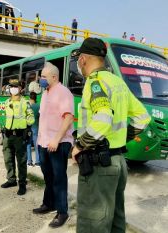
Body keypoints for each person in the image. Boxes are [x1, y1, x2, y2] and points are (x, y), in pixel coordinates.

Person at [71, 38, 151, 233]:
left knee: (93, 223)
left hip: (99, 165)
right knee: (115, 219)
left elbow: (104, 117)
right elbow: (142, 117)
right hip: (118, 162)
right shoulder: (119, 83)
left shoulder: (94, 82)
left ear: (83, 59)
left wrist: (80, 145)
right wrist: (121, 138)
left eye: (78, 61)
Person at [32, 62, 74, 228]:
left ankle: (62, 212)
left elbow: (68, 118)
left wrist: (56, 139)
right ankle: (48, 203)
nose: (41, 79)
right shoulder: (45, 93)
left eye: (43, 77)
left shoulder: (63, 92)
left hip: (58, 142)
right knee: (48, 176)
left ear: (54, 77)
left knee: (59, 178)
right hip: (43, 143)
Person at [1, 79, 34, 195]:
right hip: (8, 135)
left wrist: (26, 127)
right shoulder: (6, 102)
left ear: (20, 89)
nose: (13, 88)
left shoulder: (25, 102)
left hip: (20, 136)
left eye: (15, 86)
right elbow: (6, 117)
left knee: (21, 161)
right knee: (8, 158)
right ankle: (11, 180)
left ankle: (22, 184)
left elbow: (31, 117)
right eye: (11, 86)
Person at [26, 92, 40, 166]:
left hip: (28, 128)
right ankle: (38, 162)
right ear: (35, 98)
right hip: (36, 128)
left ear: (30, 98)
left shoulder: (27, 106)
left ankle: (29, 162)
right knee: (36, 145)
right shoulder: (38, 106)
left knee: (28, 144)